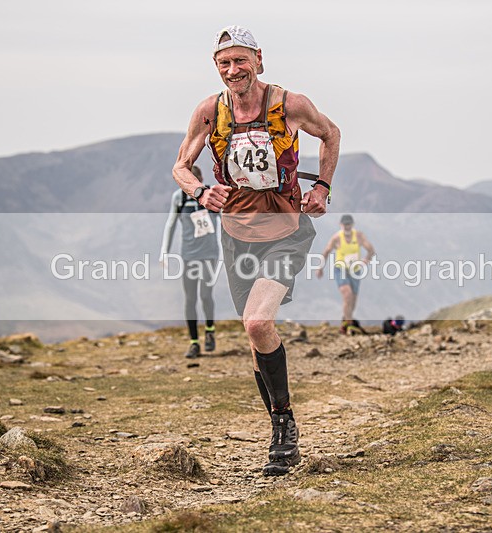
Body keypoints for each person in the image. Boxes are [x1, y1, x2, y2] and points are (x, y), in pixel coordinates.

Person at [171, 25, 340, 476]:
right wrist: (200, 191)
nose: (233, 70)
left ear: (259, 59)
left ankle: (283, 428)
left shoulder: (290, 105)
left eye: (240, 60)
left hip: (287, 230)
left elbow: (331, 133)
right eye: (224, 63)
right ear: (216, 68)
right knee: (254, 336)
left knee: (257, 320)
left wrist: (322, 187)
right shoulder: (209, 112)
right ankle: (280, 429)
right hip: (236, 236)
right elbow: (181, 166)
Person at [159, 165, 220, 359]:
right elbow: (170, 223)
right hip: (189, 256)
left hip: (209, 254)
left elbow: (226, 220)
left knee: (206, 294)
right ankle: (194, 343)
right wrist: (164, 252)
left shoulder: (211, 195)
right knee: (190, 298)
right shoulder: (179, 197)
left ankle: (209, 331)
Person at [317, 214, 376, 333]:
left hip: (355, 270)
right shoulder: (336, 238)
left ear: (352, 225)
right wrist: (320, 267)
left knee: (352, 301)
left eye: (349, 224)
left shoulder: (358, 236)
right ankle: (349, 325)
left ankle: (345, 321)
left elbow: (371, 250)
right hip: (341, 269)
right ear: (341, 225)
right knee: (347, 295)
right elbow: (326, 252)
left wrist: (366, 260)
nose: (347, 227)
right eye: (345, 224)